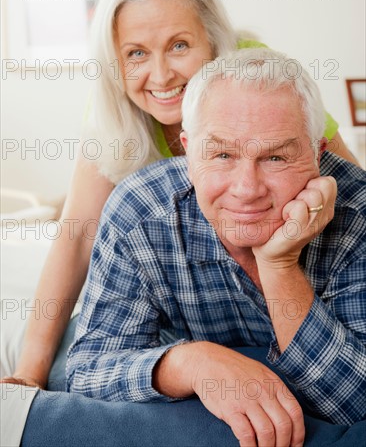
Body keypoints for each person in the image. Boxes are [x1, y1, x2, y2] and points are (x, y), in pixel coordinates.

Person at [1, 0, 360, 391]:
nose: (161, 74)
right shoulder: (113, 115)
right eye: (136, 53)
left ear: (213, 40)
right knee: (67, 373)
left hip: (281, 297)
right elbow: (77, 238)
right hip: (181, 308)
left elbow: (347, 194)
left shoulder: (266, 86)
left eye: (179, 46)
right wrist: (30, 373)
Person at [66, 48, 366, 446]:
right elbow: (87, 371)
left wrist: (280, 265)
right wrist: (191, 363)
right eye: (222, 154)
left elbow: (356, 404)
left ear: (317, 154)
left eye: (275, 157)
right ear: (188, 150)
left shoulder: (357, 213)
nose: (246, 189)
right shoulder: (139, 211)